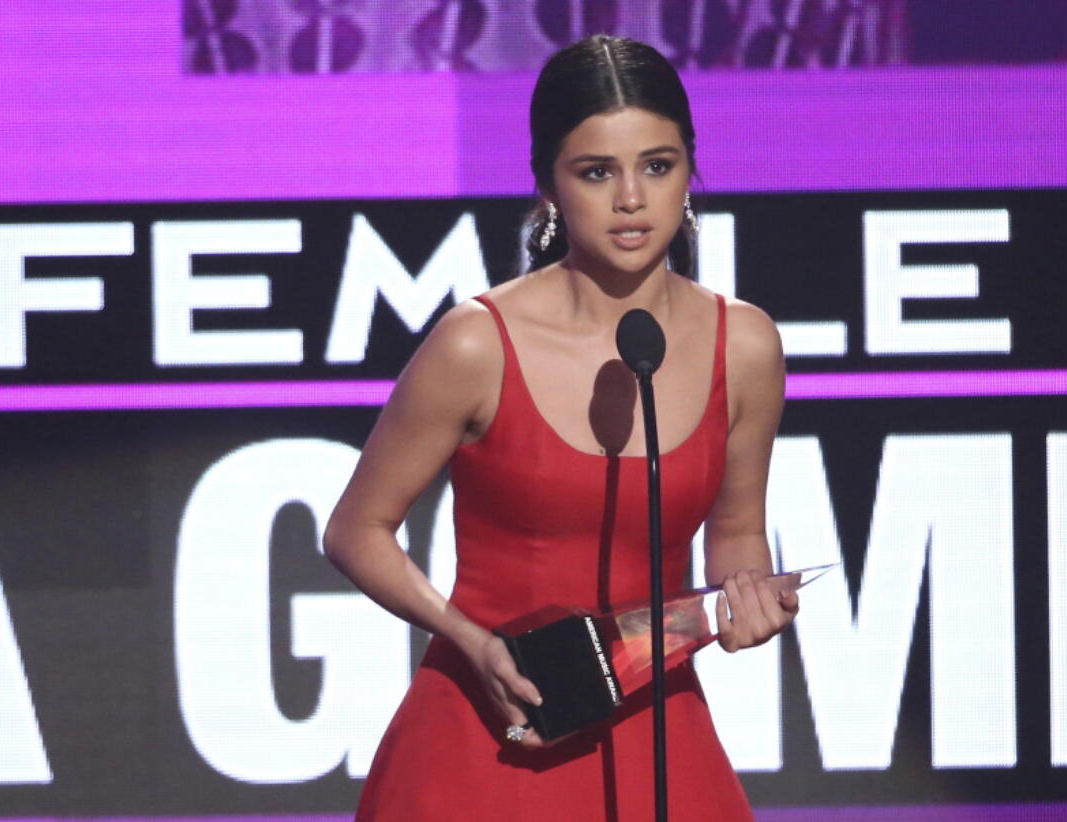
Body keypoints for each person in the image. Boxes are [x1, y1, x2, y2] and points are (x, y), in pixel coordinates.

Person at [323, 33, 797, 821]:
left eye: (657, 164)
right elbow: (355, 530)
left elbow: (738, 534)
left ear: (690, 168)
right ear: (547, 184)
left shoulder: (744, 345)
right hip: (489, 729)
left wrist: (746, 601)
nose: (632, 200)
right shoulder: (476, 343)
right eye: (596, 172)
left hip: (655, 729)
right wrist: (473, 643)